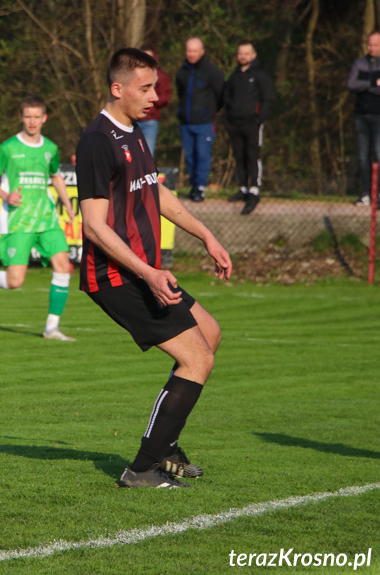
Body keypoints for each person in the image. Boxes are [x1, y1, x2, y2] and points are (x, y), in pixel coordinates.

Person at [75, 48, 232, 488]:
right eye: (145, 88)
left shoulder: (135, 131)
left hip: (143, 270)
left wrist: (206, 235)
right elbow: (93, 226)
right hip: (115, 276)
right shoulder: (96, 141)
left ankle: (164, 448)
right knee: (197, 357)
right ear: (117, 88)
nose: (155, 97)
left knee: (210, 334)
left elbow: (156, 193)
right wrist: (147, 272)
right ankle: (143, 466)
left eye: (156, 87)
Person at [0, 96, 76, 341]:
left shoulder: (50, 148)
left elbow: (55, 176)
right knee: (15, 281)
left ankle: (51, 328)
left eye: (37, 117)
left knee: (63, 265)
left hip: (46, 219)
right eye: (28, 117)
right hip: (18, 220)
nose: (32, 122)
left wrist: (67, 203)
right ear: (21, 118)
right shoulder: (9, 148)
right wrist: (5, 195)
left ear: (44, 118)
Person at [224, 41, 273, 215]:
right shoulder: (234, 76)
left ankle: (254, 189)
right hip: (235, 124)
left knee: (253, 155)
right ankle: (243, 187)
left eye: (246, 53)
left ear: (253, 55)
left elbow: (267, 98)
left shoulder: (260, 75)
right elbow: (227, 98)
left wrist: (259, 119)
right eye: (240, 53)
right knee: (239, 156)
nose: (243, 56)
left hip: (252, 123)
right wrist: (228, 119)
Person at [175, 37, 224, 202]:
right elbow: (180, 94)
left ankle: (201, 188)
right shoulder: (182, 72)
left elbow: (221, 95)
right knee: (190, 157)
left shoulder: (212, 72)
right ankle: (193, 186)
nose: (191, 54)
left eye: (194, 51)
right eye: (189, 50)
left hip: (204, 123)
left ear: (202, 52)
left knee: (203, 155)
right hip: (186, 123)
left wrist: (209, 112)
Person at [348, 30, 380, 207]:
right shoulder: (359, 62)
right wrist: (373, 82)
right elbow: (352, 84)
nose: (372, 48)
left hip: (378, 116)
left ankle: (379, 193)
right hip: (360, 115)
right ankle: (366, 193)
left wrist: (364, 83)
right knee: (362, 156)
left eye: (375, 45)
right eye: (369, 44)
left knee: (379, 153)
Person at [137, 43, 171, 157]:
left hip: (150, 121)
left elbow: (165, 99)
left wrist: (150, 97)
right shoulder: (133, 75)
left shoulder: (161, 76)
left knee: (147, 155)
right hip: (133, 120)